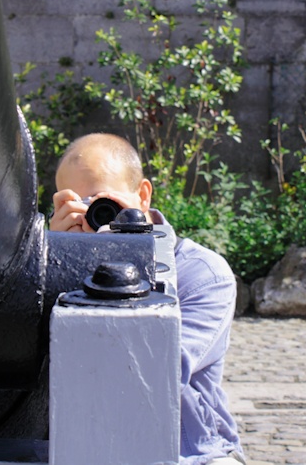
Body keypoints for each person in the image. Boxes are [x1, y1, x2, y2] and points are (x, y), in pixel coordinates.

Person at [50, 133, 245, 465]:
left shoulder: (201, 273)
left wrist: (127, 255)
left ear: (142, 195)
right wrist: (57, 257)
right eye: (76, 205)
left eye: (101, 201)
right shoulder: (50, 266)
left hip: (192, 453)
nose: (92, 217)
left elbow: (153, 373)